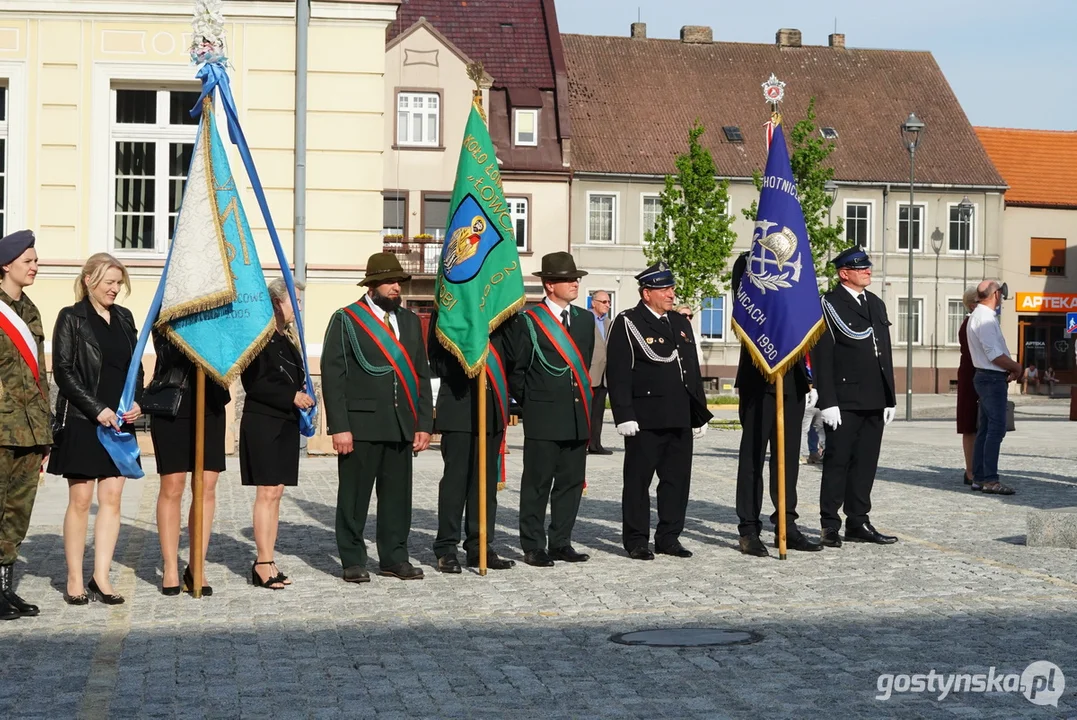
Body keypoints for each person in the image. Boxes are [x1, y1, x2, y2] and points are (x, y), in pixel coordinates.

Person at [322, 253, 433, 583]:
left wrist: (424, 423)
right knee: (355, 497)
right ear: (371, 286)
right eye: (389, 281)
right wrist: (339, 427)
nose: (396, 287)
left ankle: (394, 557)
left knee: (398, 498)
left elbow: (421, 376)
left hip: (401, 423)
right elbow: (333, 375)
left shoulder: (411, 322)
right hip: (361, 424)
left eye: (399, 281)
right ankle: (353, 558)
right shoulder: (347, 320)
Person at [48, 254, 143, 605]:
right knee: (81, 499)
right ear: (89, 280)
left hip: (119, 422)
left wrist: (138, 402)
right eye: (109, 282)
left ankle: (100, 576)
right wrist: (96, 409)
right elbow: (63, 371)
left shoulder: (124, 318)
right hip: (83, 421)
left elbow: (136, 369)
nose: (115, 289)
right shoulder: (71, 318)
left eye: (119, 283)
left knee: (113, 499)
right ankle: (74, 577)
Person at [605, 262, 710, 560]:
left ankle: (669, 536)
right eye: (664, 289)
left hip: (679, 414)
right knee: (639, 482)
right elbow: (619, 372)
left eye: (672, 288)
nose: (671, 294)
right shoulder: (629, 322)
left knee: (676, 481)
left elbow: (691, 370)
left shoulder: (679, 323)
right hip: (646, 417)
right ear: (646, 292)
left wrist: (698, 411)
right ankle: (637, 539)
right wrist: (623, 413)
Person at [730, 253, 822, 556]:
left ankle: (787, 524)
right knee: (753, 457)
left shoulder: (797, 263)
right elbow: (747, 305)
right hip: (759, 376)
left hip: (791, 378)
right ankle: (749, 528)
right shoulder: (749, 263)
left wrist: (811, 378)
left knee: (788, 458)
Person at [507, 252, 595, 567]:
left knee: (571, 483)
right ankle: (533, 544)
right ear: (549, 285)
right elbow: (516, 373)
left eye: (576, 278)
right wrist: (534, 403)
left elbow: (581, 367)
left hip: (576, 416)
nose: (575, 283)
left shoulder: (584, 320)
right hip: (544, 416)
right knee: (537, 483)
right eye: (567, 279)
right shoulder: (528, 320)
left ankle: (561, 541)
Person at [811, 247, 898, 547]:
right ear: (843, 273)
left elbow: (884, 353)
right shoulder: (828, 304)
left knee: (866, 463)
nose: (868, 271)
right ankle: (830, 524)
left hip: (874, 396)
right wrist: (828, 400)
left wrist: (890, 397)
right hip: (845, 398)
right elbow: (823, 355)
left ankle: (858, 521)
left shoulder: (876, 304)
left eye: (868, 267)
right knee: (838, 463)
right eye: (860, 268)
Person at [239, 278, 314, 590]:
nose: (298, 306)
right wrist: (291, 396)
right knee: (266, 492)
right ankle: (263, 561)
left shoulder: (287, 339)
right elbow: (254, 383)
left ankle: (268, 559)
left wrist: (302, 394)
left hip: (285, 422)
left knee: (277, 492)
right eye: (293, 300)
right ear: (274, 303)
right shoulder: (259, 338)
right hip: (264, 421)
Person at [429, 312, 515, 572]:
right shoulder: (447, 307)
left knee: (485, 486)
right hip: (459, 406)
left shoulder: (500, 312)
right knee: (455, 483)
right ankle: (446, 548)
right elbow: (436, 362)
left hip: (491, 410)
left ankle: (480, 546)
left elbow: (513, 356)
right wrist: (469, 359)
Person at [149, 329, 230, 596]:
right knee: (173, 484)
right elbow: (166, 351)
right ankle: (171, 565)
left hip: (211, 400)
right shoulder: (170, 300)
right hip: (174, 397)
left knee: (207, 484)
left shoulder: (219, 299)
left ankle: (197, 564)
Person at [0, 230, 52, 620]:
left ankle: (5, 589)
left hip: (31, 431)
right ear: (6, 265)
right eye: (28, 261)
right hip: (2, 430)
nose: (35, 266)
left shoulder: (30, 311)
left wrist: (45, 428)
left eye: (35, 260)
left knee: (18, 512)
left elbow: (40, 375)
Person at [966, 279, 1022, 495]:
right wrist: (1016, 367)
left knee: (987, 429)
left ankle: (979, 478)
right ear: (996, 294)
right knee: (996, 429)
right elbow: (994, 354)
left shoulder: (978, 316)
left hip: (986, 376)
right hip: (991, 378)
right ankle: (990, 480)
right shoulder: (985, 319)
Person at [956, 287, 979, 486]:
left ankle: (975, 468)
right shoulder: (970, 323)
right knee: (969, 424)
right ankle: (970, 470)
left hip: (975, 374)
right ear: (973, 305)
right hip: (971, 375)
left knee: (976, 425)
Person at [587, 291, 612, 455]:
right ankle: (582, 444)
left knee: (597, 412)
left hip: (604, 375)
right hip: (588, 373)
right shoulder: (584, 320)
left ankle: (595, 444)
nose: (607, 305)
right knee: (585, 412)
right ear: (593, 302)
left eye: (609, 302)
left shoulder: (609, 323)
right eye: (603, 301)